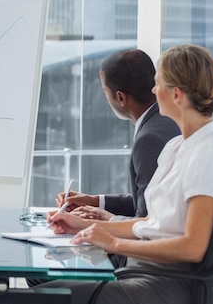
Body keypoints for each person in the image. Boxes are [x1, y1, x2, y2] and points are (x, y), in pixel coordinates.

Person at [0, 43, 213, 304]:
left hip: (164, 288)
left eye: (157, 83)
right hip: (142, 276)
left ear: (176, 94)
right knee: (25, 302)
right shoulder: (177, 146)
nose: (152, 91)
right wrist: (86, 226)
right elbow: (153, 222)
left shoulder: (207, 153)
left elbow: (193, 247)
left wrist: (113, 242)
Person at [56, 49, 180, 221]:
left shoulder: (149, 139)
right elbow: (147, 201)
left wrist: (107, 219)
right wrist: (96, 202)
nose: (106, 98)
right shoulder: (166, 121)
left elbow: (149, 223)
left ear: (120, 98)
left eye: (105, 92)